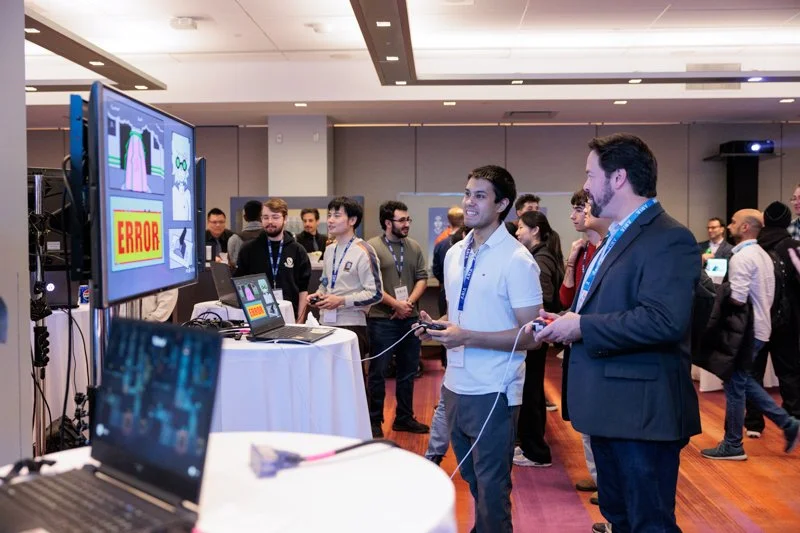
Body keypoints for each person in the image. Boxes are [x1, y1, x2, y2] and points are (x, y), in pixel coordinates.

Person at [534, 133, 701, 533]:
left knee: (649, 523)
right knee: (620, 517)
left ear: (619, 178)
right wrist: (565, 319)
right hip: (614, 409)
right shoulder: (618, 234)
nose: (587, 186)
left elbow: (664, 320)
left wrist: (581, 326)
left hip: (642, 414)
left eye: (591, 175)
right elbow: (609, 305)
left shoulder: (668, 237)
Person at [416, 165, 543, 533]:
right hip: (454, 385)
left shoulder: (518, 260)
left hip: (494, 389)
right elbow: (461, 312)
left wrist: (467, 336)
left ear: (503, 204)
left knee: (491, 487)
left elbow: (532, 336)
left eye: (480, 196)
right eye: (467, 193)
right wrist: (438, 324)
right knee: (471, 476)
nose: (469, 202)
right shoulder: (455, 253)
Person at [701, 208, 800, 461]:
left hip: (746, 331)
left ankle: (733, 443)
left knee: (736, 384)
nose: (729, 225)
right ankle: (786, 423)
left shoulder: (742, 258)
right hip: (761, 328)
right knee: (739, 381)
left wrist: (717, 293)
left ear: (745, 227)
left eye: (733, 222)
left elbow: (737, 298)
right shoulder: (764, 255)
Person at [366, 201, 429, 438]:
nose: (406, 224)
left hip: (409, 319)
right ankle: (374, 421)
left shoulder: (414, 247)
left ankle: (404, 418)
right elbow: (370, 285)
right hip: (382, 319)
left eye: (408, 220)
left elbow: (422, 278)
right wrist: (395, 304)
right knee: (378, 373)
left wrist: (408, 304)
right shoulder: (371, 247)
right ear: (387, 222)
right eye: (402, 220)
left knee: (408, 371)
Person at [512, 210, 564, 469]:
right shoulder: (540, 255)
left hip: (535, 332)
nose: (518, 231)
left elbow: (541, 298)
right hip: (538, 333)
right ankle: (532, 446)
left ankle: (536, 450)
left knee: (531, 392)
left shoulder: (540, 259)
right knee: (531, 390)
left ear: (535, 230)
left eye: (522, 227)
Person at [744, 201, 800, 438]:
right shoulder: (794, 246)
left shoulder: (753, 247)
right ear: (788, 222)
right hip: (787, 321)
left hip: (756, 319)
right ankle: (794, 417)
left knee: (753, 372)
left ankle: (754, 423)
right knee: (789, 372)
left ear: (765, 221)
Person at [308, 197, 382, 364]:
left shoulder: (364, 251)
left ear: (352, 220)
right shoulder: (329, 249)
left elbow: (376, 294)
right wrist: (319, 295)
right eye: (329, 215)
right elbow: (325, 283)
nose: (330, 220)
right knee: (327, 379)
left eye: (337, 215)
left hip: (352, 324)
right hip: (325, 323)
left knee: (351, 381)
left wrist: (341, 301)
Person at [235, 199, 311, 323]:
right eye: (265, 217)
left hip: (289, 317)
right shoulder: (248, 249)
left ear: (285, 218)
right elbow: (240, 284)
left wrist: (300, 320)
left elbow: (303, 290)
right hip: (257, 318)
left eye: (275, 217)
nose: (270, 222)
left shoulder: (298, 250)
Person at [226, 200, 265, 268]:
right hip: (265, 277)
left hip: (241, 278)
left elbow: (232, 263)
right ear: (262, 217)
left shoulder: (234, 239)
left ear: (245, 217)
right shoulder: (271, 236)